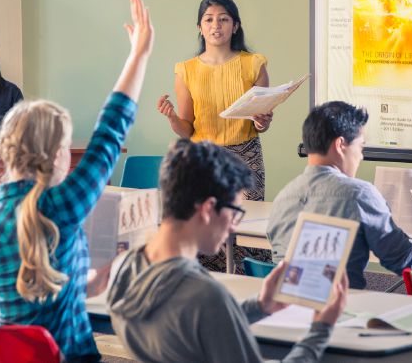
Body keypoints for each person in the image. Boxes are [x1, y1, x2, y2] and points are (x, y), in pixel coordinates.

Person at [0, 0, 154, 362]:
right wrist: (139, 55)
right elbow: (111, 131)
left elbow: (25, 298)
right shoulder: (61, 207)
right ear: (57, 154)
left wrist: (78, 285)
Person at [107, 139, 348, 363]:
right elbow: (200, 313)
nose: (235, 224)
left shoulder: (124, 267)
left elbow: (194, 327)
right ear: (208, 208)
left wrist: (261, 306)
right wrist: (320, 330)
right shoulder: (204, 295)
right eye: (234, 212)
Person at [267, 101, 412, 289]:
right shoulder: (358, 194)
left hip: (285, 312)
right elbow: (406, 261)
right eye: (360, 147)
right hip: (340, 311)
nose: (361, 156)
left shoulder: (283, 197)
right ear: (341, 144)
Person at [157, 0, 271, 201]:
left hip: (246, 158)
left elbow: (260, 126)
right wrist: (172, 118)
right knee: (203, 226)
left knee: (247, 225)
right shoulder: (185, 70)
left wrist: (263, 122)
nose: (216, 25)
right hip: (202, 159)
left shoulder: (255, 65)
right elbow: (187, 130)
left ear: (235, 26)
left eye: (223, 19)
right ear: (200, 28)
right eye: (208, 19)